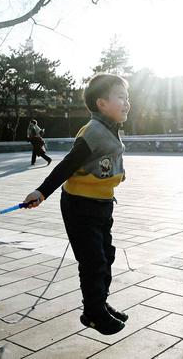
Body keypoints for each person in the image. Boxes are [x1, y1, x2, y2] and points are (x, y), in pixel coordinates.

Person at [22, 73, 130, 335]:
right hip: (80, 206)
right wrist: (42, 192)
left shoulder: (110, 129)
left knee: (106, 257)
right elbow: (67, 165)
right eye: (121, 97)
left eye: (128, 97)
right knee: (93, 261)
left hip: (102, 205)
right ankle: (93, 313)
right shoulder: (93, 132)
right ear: (102, 103)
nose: (127, 103)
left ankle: (100, 304)